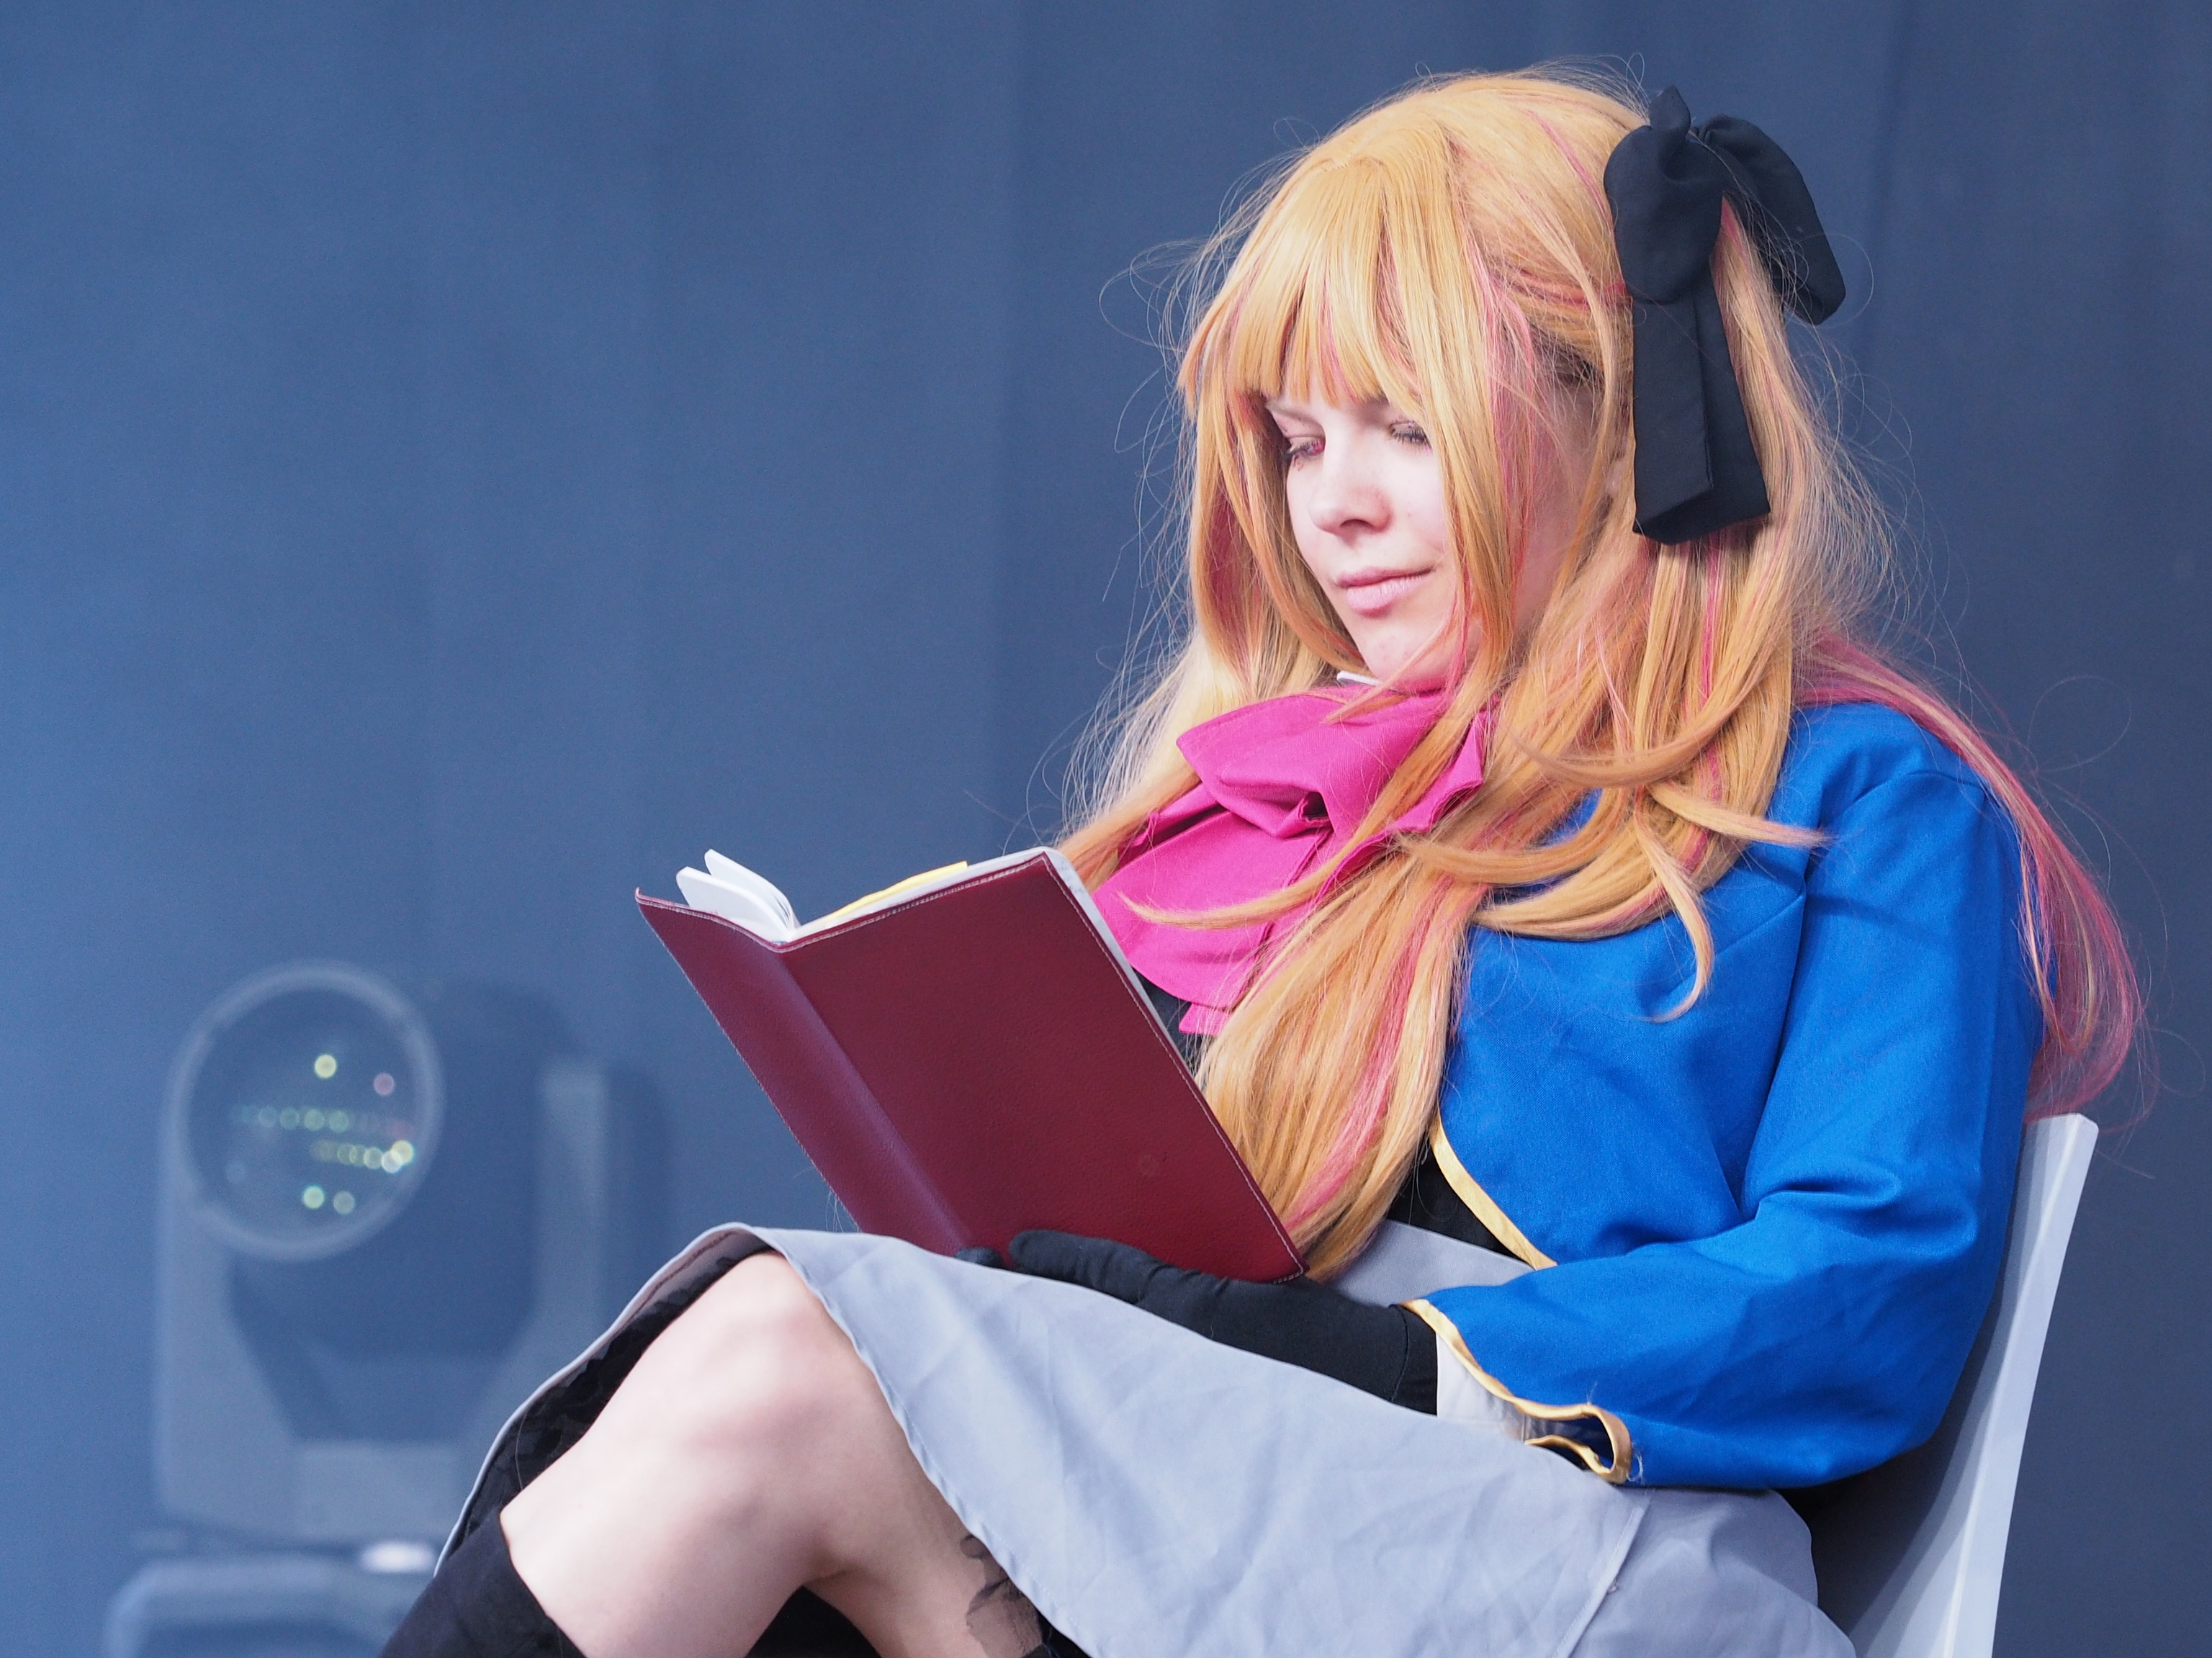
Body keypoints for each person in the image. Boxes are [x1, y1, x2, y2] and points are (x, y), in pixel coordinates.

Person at [382, 68, 2137, 1658]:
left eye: (1404, 426)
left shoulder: (1868, 791)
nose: (1332, 505)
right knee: (795, 1420)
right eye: (1298, 442)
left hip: (1578, 1546)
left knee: (780, 1361)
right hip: (1215, 1488)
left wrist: (1379, 1356)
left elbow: (1872, 1283)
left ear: (1620, 422)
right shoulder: (1266, 788)